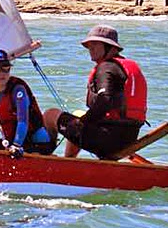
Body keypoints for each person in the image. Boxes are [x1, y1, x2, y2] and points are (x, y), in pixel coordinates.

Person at [59, 25, 148, 159]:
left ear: (111, 48)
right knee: (77, 114)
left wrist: (82, 122)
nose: (90, 48)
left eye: (95, 44)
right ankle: (68, 160)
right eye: (89, 45)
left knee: (51, 115)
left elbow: (104, 100)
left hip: (108, 139)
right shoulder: (121, 67)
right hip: (128, 137)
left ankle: (42, 157)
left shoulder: (106, 68)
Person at [0, 49, 60, 157]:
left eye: (5, 67)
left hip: (37, 144)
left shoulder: (18, 90)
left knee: (15, 151)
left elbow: (22, 121)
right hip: (13, 145)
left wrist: (16, 145)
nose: (2, 73)